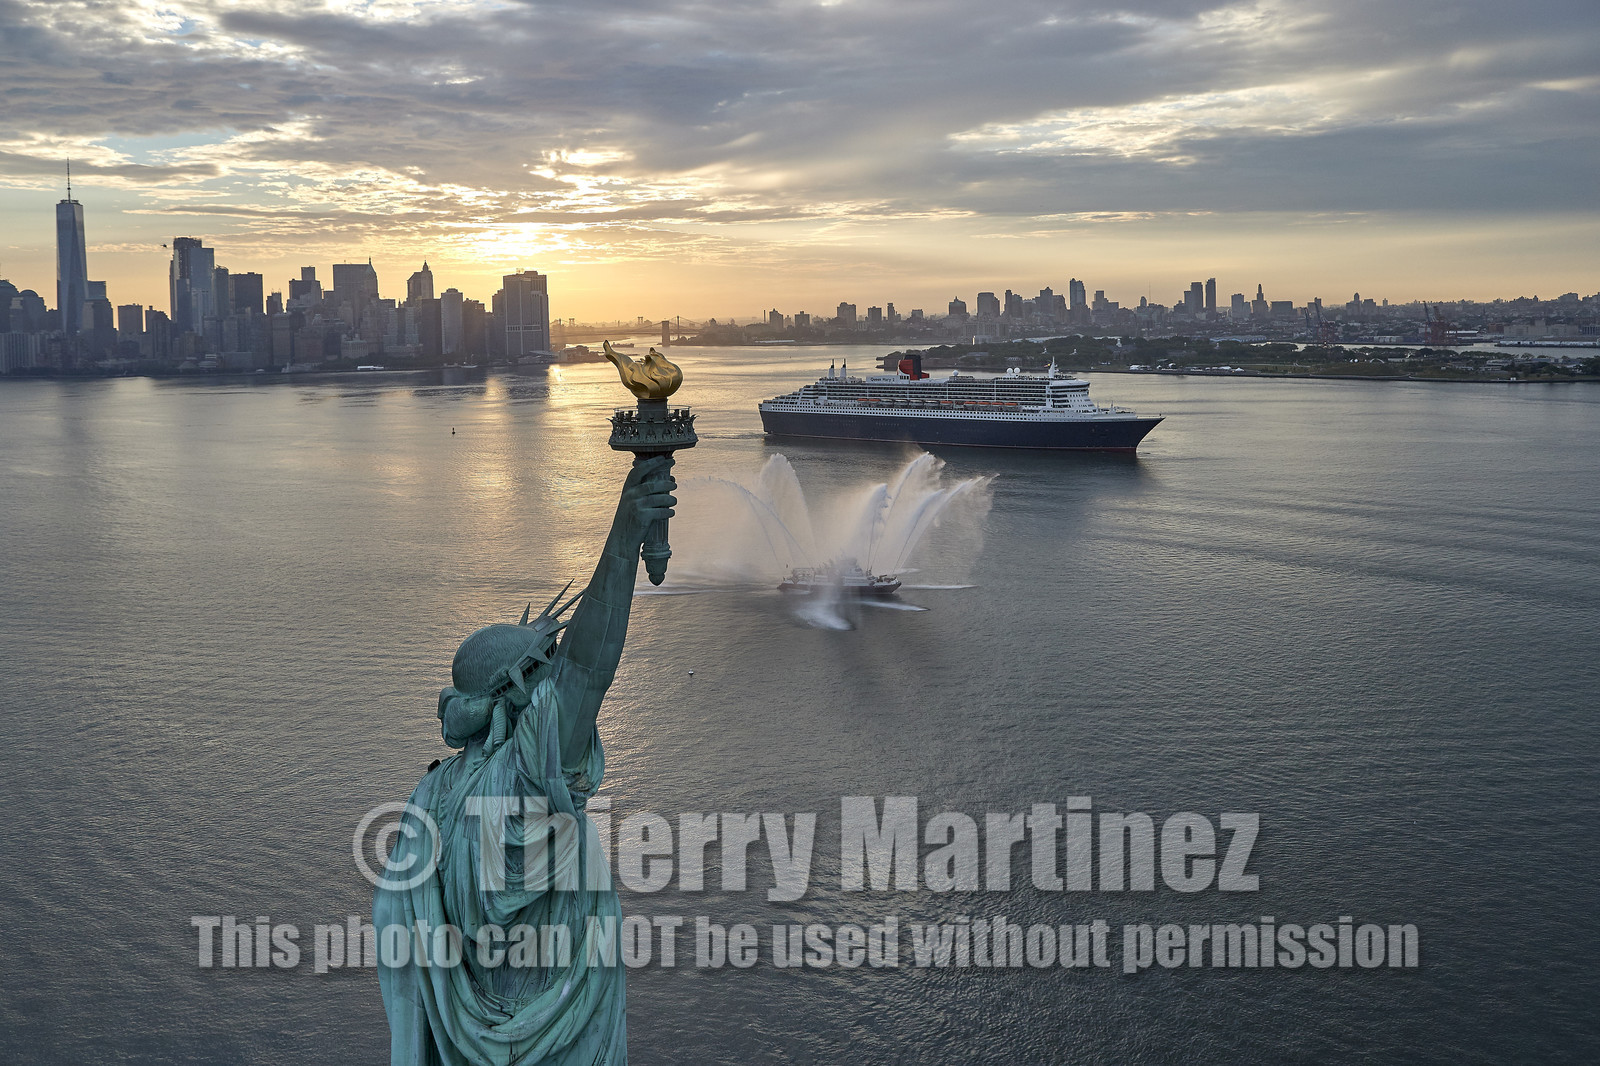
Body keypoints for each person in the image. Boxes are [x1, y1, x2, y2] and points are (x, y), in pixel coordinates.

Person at [374, 455, 676, 1066]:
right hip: (554, 1021)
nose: (552, 682)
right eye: (542, 670)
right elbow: (589, 666)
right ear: (517, 693)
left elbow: (395, 913)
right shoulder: (519, 781)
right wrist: (622, 539)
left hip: (464, 1027)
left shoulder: (434, 793)